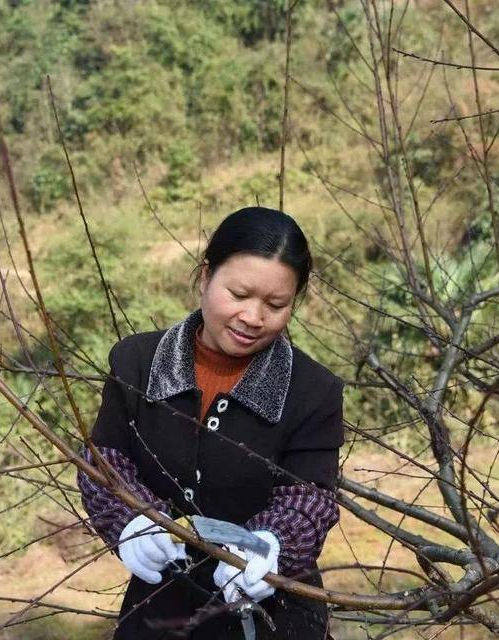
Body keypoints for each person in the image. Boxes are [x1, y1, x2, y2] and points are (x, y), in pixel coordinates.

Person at [77, 206, 345, 639]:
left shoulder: (313, 390)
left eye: (276, 304)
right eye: (238, 295)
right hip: (157, 613)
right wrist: (133, 520)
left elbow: (310, 496)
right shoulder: (137, 363)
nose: (253, 318)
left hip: (273, 615)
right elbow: (105, 461)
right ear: (205, 277)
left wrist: (271, 546)